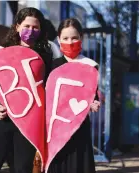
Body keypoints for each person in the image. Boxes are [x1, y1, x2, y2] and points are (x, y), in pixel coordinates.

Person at [0, 7, 53, 173]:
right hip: (4, 118)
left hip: (30, 124)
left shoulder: (45, 56)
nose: (30, 31)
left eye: (35, 27)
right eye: (26, 26)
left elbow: (49, 87)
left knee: (22, 168)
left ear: (41, 30)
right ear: (17, 26)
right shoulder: (1, 53)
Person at [47, 18, 100, 173]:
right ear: (58, 39)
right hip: (56, 129)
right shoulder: (53, 66)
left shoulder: (90, 65)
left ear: (81, 38)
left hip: (79, 127)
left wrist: (94, 102)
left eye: (74, 38)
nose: (70, 42)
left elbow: (93, 93)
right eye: (65, 38)